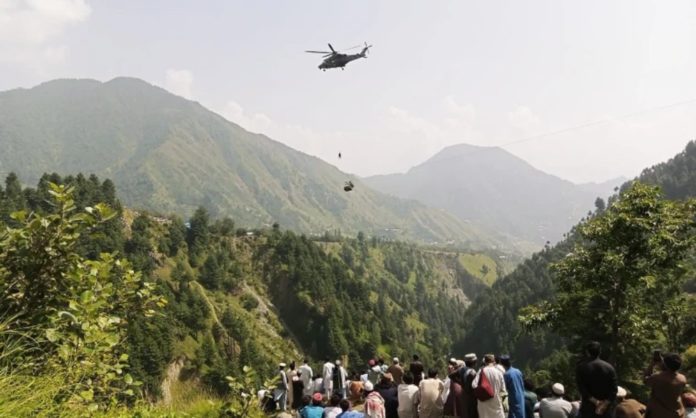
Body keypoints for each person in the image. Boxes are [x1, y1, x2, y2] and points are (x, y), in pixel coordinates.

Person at [575, 341, 617, 418]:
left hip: (588, 409)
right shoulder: (610, 368)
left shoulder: (581, 368)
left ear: (587, 352)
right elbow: (614, 390)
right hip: (605, 411)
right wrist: (604, 404)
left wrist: (596, 402)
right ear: (600, 352)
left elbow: (582, 389)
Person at [644, 352, 687, 418]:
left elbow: (646, 380)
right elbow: (670, 373)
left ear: (665, 364)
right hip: (675, 414)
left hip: (657, 414)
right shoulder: (682, 379)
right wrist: (664, 364)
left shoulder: (658, 377)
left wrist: (652, 364)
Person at [462, 353, 479, 418]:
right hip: (472, 400)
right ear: (473, 362)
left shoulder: (464, 370)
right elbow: (471, 388)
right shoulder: (472, 373)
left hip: (466, 398)